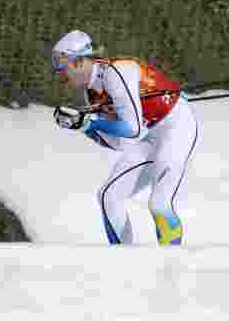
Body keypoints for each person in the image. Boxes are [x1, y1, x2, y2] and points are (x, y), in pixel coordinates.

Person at [50, 29, 200, 246]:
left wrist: (92, 122)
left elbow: (133, 128)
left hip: (176, 126)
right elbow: (121, 142)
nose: (61, 78)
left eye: (63, 71)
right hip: (149, 137)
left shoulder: (115, 74)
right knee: (109, 197)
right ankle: (124, 263)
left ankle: (173, 265)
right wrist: (84, 127)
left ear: (80, 62)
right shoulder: (91, 93)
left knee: (159, 203)